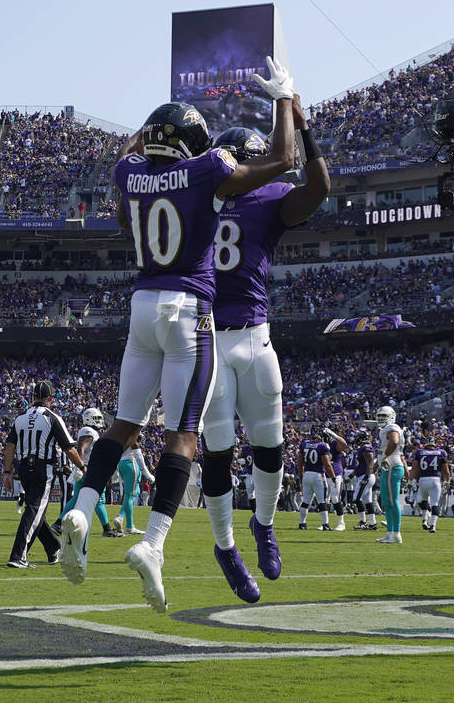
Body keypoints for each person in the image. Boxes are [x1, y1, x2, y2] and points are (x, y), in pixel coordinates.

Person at [58, 57, 297, 613]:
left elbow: (128, 154)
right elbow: (284, 159)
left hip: (140, 304)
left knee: (123, 424)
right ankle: (154, 543)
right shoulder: (207, 168)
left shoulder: (128, 174)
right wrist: (284, 97)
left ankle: (83, 507)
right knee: (182, 435)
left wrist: (150, 129)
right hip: (190, 308)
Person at [199, 96, 331, 595]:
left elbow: (318, 188)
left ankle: (264, 524)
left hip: (254, 336)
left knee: (270, 445)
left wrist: (305, 125)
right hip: (207, 337)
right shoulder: (199, 196)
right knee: (218, 450)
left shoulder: (269, 195)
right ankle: (225, 546)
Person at [3, 380, 85, 569]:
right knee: (34, 510)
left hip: (23, 468)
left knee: (35, 510)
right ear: (50, 398)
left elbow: (9, 447)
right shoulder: (52, 417)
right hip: (43, 469)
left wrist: (7, 472)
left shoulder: (20, 417)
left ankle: (52, 547)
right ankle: (18, 556)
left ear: (33, 397)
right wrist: (83, 467)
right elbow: (69, 448)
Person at [54, 408, 117, 538]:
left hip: (85, 468)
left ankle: (58, 524)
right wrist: (80, 466)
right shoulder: (89, 431)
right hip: (89, 469)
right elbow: (82, 448)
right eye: (97, 418)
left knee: (76, 498)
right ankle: (107, 529)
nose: (99, 421)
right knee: (98, 500)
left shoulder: (88, 431)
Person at [409, 426, 449, 533]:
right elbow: (446, 470)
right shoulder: (441, 453)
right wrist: (447, 481)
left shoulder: (419, 453)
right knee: (435, 503)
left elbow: (414, 469)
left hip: (423, 480)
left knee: (423, 500)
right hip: (435, 480)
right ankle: (433, 526)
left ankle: (424, 520)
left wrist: (411, 480)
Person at [375, 406, 405, 544]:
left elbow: (394, 441)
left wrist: (385, 457)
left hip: (392, 465)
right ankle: (390, 533)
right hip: (388, 466)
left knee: (392, 501)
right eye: (379, 416)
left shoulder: (392, 428)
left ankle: (396, 534)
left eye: (383, 416)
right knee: (387, 502)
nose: (381, 419)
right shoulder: (385, 429)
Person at [297, 430, 336, 532]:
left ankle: (302, 523)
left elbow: (299, 462)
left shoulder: (305, 444)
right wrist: (333, 476)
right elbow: (327, 464)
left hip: (306, 474)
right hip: (318, 475)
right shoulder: (322, 446)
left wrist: (301, 475)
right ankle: (325, 524)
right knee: (322, 501)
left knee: (305, 501)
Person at [115, 441, 153, 535]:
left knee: (134, 493)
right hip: (130, 463)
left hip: (122, 463)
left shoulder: (122, 434)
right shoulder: (133, 436)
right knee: (130, 495)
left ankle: (121, 516)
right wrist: (147, 474)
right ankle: (129, 526)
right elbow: (138, 455)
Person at [351, 432, 379, 530]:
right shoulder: (362, 448)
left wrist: (366, 477)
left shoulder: (366, 447)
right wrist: (350, 476)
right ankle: (373, 524)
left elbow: (370, 463)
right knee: (368, 501)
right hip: (364, 475)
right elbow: (359, 466)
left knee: (357, 498)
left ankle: (363, 522)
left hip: (366, 476)